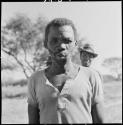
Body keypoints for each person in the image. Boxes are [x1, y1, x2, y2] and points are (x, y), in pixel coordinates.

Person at [27, 18, 105, 124]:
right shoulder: (35, 79)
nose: (61, 46)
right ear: (46, 44)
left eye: (67, 41)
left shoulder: (91, 76)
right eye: (54, 41)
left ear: (75, 44)